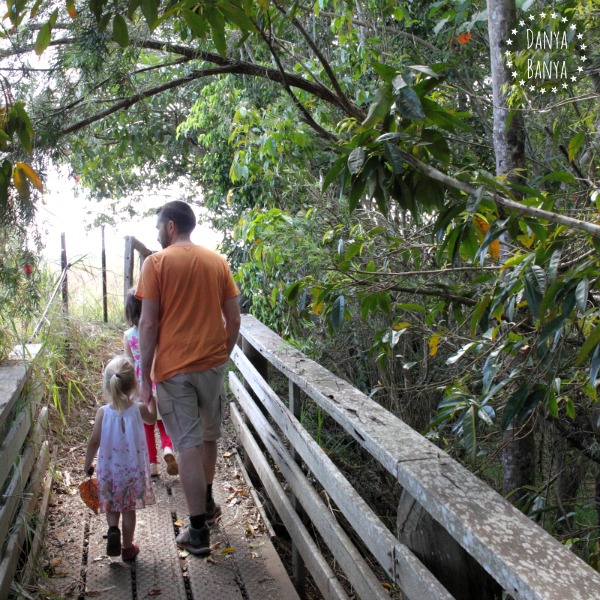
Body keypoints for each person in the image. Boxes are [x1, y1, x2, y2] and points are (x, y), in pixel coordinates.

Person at [136, 200, 241, 556]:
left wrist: (146, 380)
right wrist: (221, 356)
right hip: (212, 365)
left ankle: (196, 530)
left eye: (157, 227)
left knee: (186, 445)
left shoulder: (156, 263)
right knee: (208, 437)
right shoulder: (218, 262)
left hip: (174, 369)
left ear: (169, 227)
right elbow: (235, 319)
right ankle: (208, 501)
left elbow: (147, 323)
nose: (156, 234)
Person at [83, 355, 157, 561]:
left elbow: (93, 442)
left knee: (112, 505)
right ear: (133, 384)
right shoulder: (138, 409)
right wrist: (152, 400)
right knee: (129, 509)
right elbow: (152, 419)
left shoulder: (103, 413)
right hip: (132, 472)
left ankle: (113, 529)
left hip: (109, 472)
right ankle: (127, 547)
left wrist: (87, 463)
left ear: (108, 385)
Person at [123, 287, 179, 478]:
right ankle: (168, 448)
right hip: (158, 378)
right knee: (164, 420)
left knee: (146, 424)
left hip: (140, 384)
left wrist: (130, 389)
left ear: (129, 312)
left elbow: (129, 364)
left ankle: (152, 464)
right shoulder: (158, 331)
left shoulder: (128, 336)